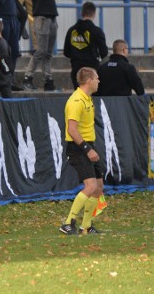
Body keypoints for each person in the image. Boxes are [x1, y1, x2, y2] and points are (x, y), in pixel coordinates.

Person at [23, 0, 90, 91]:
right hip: (41, 19)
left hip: (52, 20)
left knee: (48, 54)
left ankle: (48, 80)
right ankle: (27, 77)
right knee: (40, 51)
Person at [59, 67, 106, 236]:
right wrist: (87, 149)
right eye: (97, 78)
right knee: (91, 185)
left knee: (98, 187)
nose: (98, 81)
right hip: (78, 147)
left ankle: (86, 226)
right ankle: (67, 223)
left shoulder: (87, 98)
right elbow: (72, 129)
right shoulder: (76, 101)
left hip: (89, 145)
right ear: (89, 81)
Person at [63, 1, 108, 89]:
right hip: (93, 70)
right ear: (94, 14)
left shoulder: (71, 30)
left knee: (80, 97)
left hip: (76, 70)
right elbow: (104, 53)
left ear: (82, 13)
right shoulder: (97, 31)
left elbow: (66, 52)